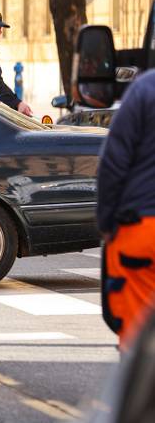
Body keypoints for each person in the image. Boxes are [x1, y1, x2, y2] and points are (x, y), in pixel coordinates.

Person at [97, 68, 155, 351]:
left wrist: (106, 223)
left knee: (136, 334)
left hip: (143, 226)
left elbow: (113, 163)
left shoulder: (146, 89)